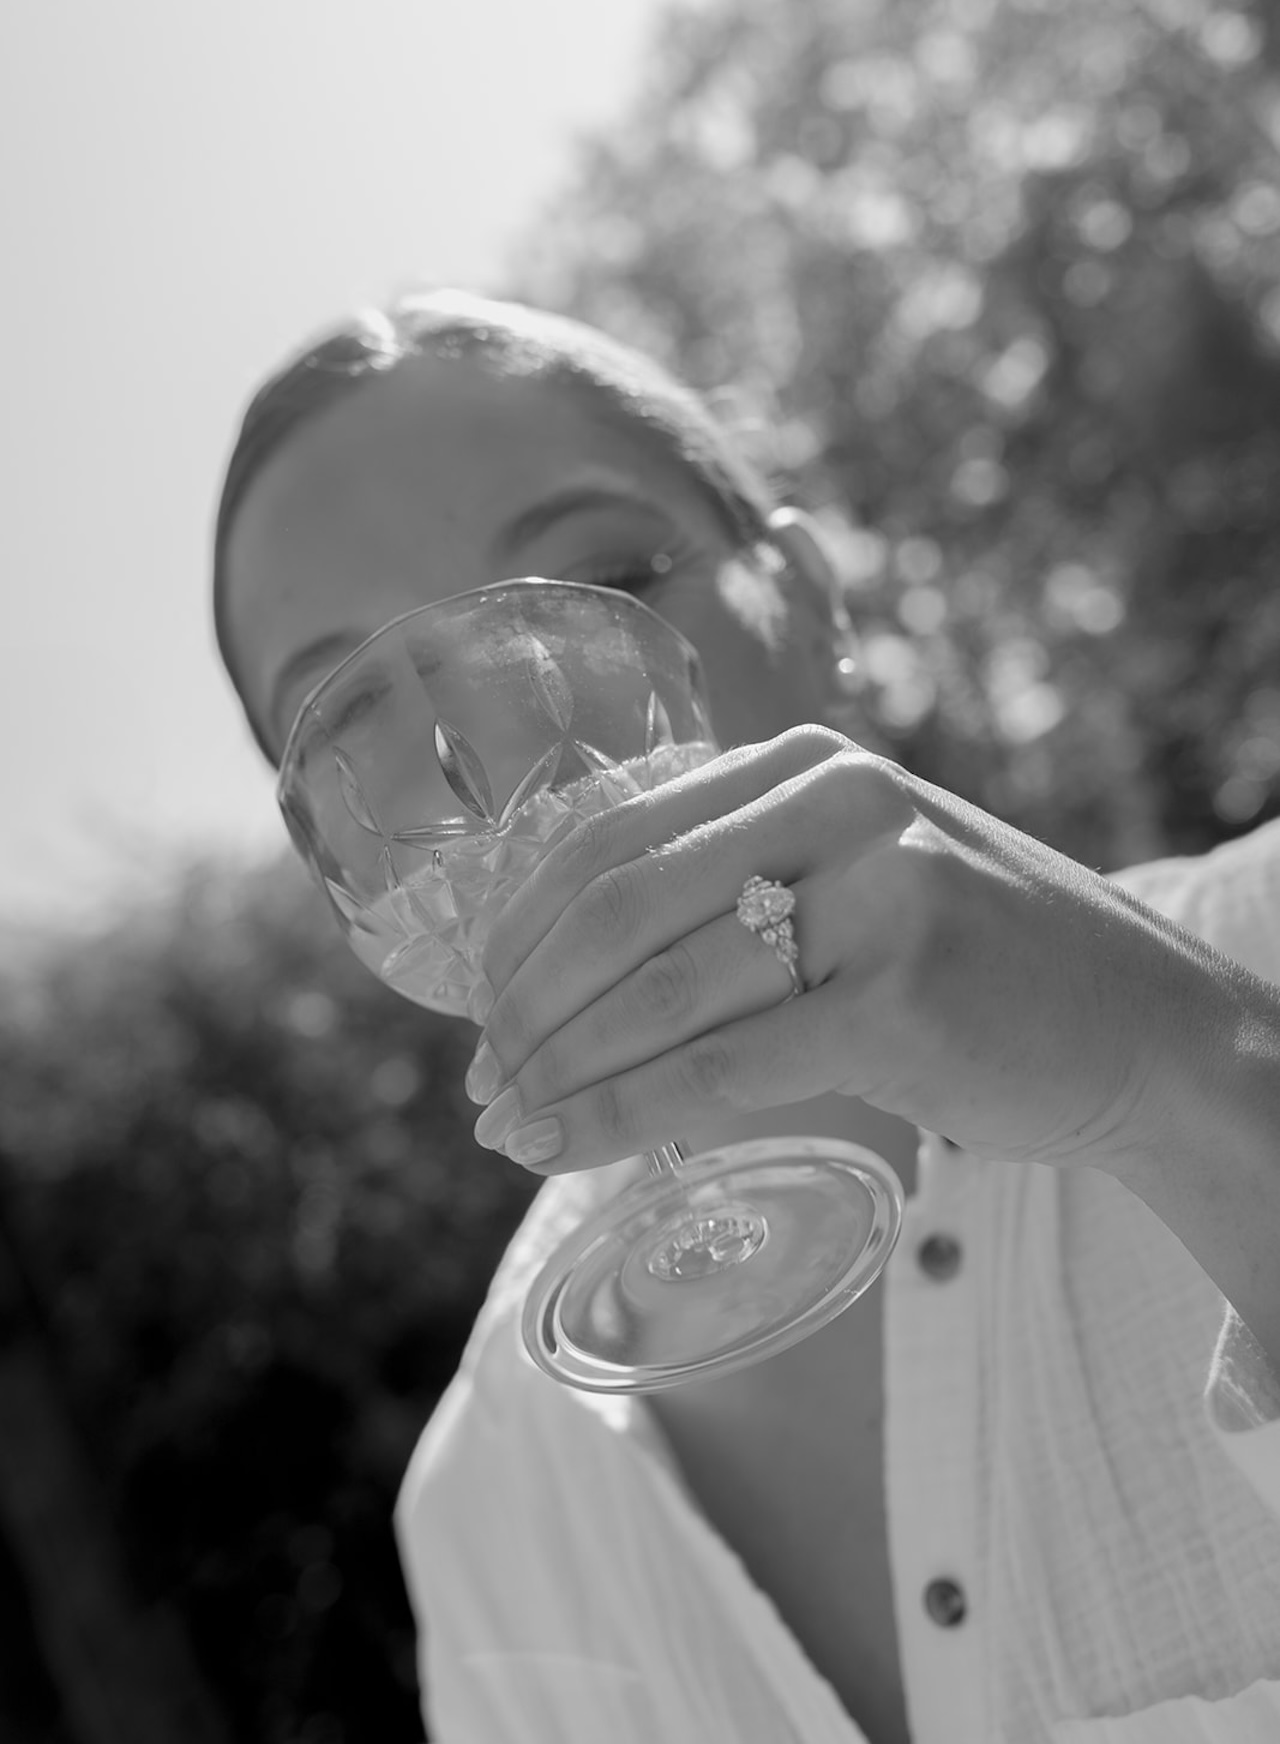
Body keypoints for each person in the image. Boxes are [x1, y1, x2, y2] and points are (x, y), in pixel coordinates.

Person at [213, 289, 1280, 1744]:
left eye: (598, 582)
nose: (496, 771)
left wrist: (1175, 1073)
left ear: (817, 600)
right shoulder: (491, 1512)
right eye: (355, 722)